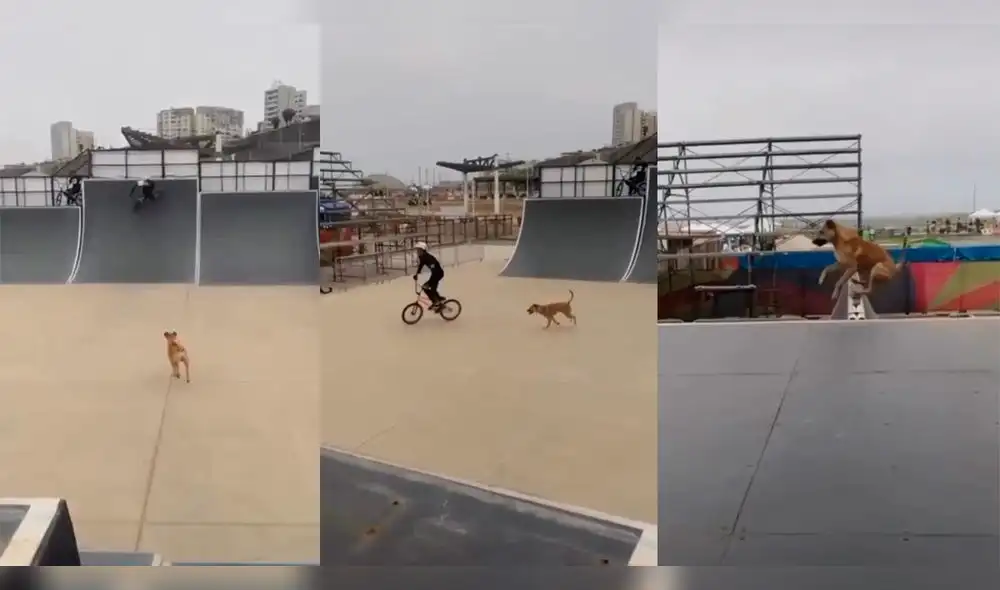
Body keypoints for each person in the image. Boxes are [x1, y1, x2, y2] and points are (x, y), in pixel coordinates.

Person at [413, 241, 445, 310]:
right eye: (417, 250)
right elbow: (421, 265)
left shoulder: (428, 258)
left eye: (419, 250)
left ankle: (437, 302)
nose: (417, 252)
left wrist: (432, 280)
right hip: (435, 274)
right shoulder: (422, 257)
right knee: (427, 288)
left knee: (429, 288)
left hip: (438, 274)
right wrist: (417, 274)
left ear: (423, 250)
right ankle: (438, 300)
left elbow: (434, 267)